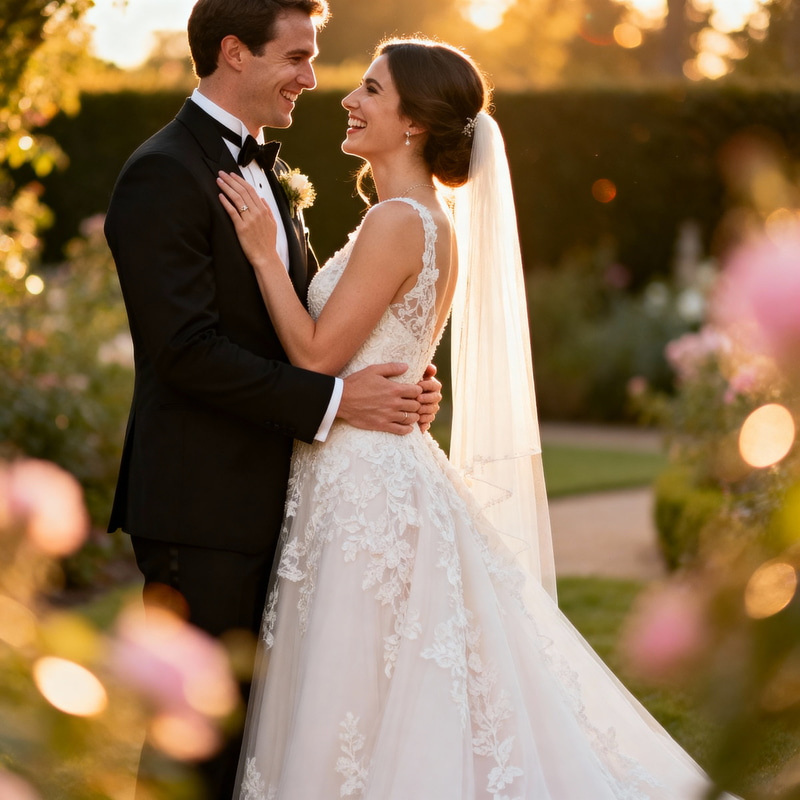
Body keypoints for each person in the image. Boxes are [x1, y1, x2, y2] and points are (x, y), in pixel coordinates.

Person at [217, 38, 738, 800]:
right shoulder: (424, 220)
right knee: (394, 687)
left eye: (370, 89)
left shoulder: (400, 221)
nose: (349, 100)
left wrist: (265, 255)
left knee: (362, 685)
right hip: (374, 466)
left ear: (416, 122)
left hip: (364, 481)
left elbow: (316, 358)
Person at [103, 1, 441, 797]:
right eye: (296, 57)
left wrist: (405, 372)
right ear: (234, 53)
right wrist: (334, 403)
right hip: (201, 508)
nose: (312, 80)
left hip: (285, 505)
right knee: (192, 748)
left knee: (264, 742)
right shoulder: (162, 173)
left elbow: (317, 316)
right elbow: (183, 354)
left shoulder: (268, 169)